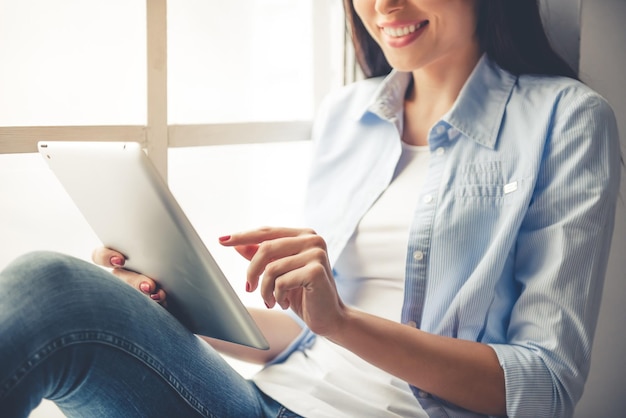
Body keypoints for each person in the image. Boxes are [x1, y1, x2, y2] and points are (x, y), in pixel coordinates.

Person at [0, 0, 620, 417]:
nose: (384, 5)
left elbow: (547, 387)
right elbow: (302, 331)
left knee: (48, 286)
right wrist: (171, 301)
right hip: (265, 397)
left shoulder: (566, 120)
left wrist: (342, 322)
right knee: (69, 292)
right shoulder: (348, 115)